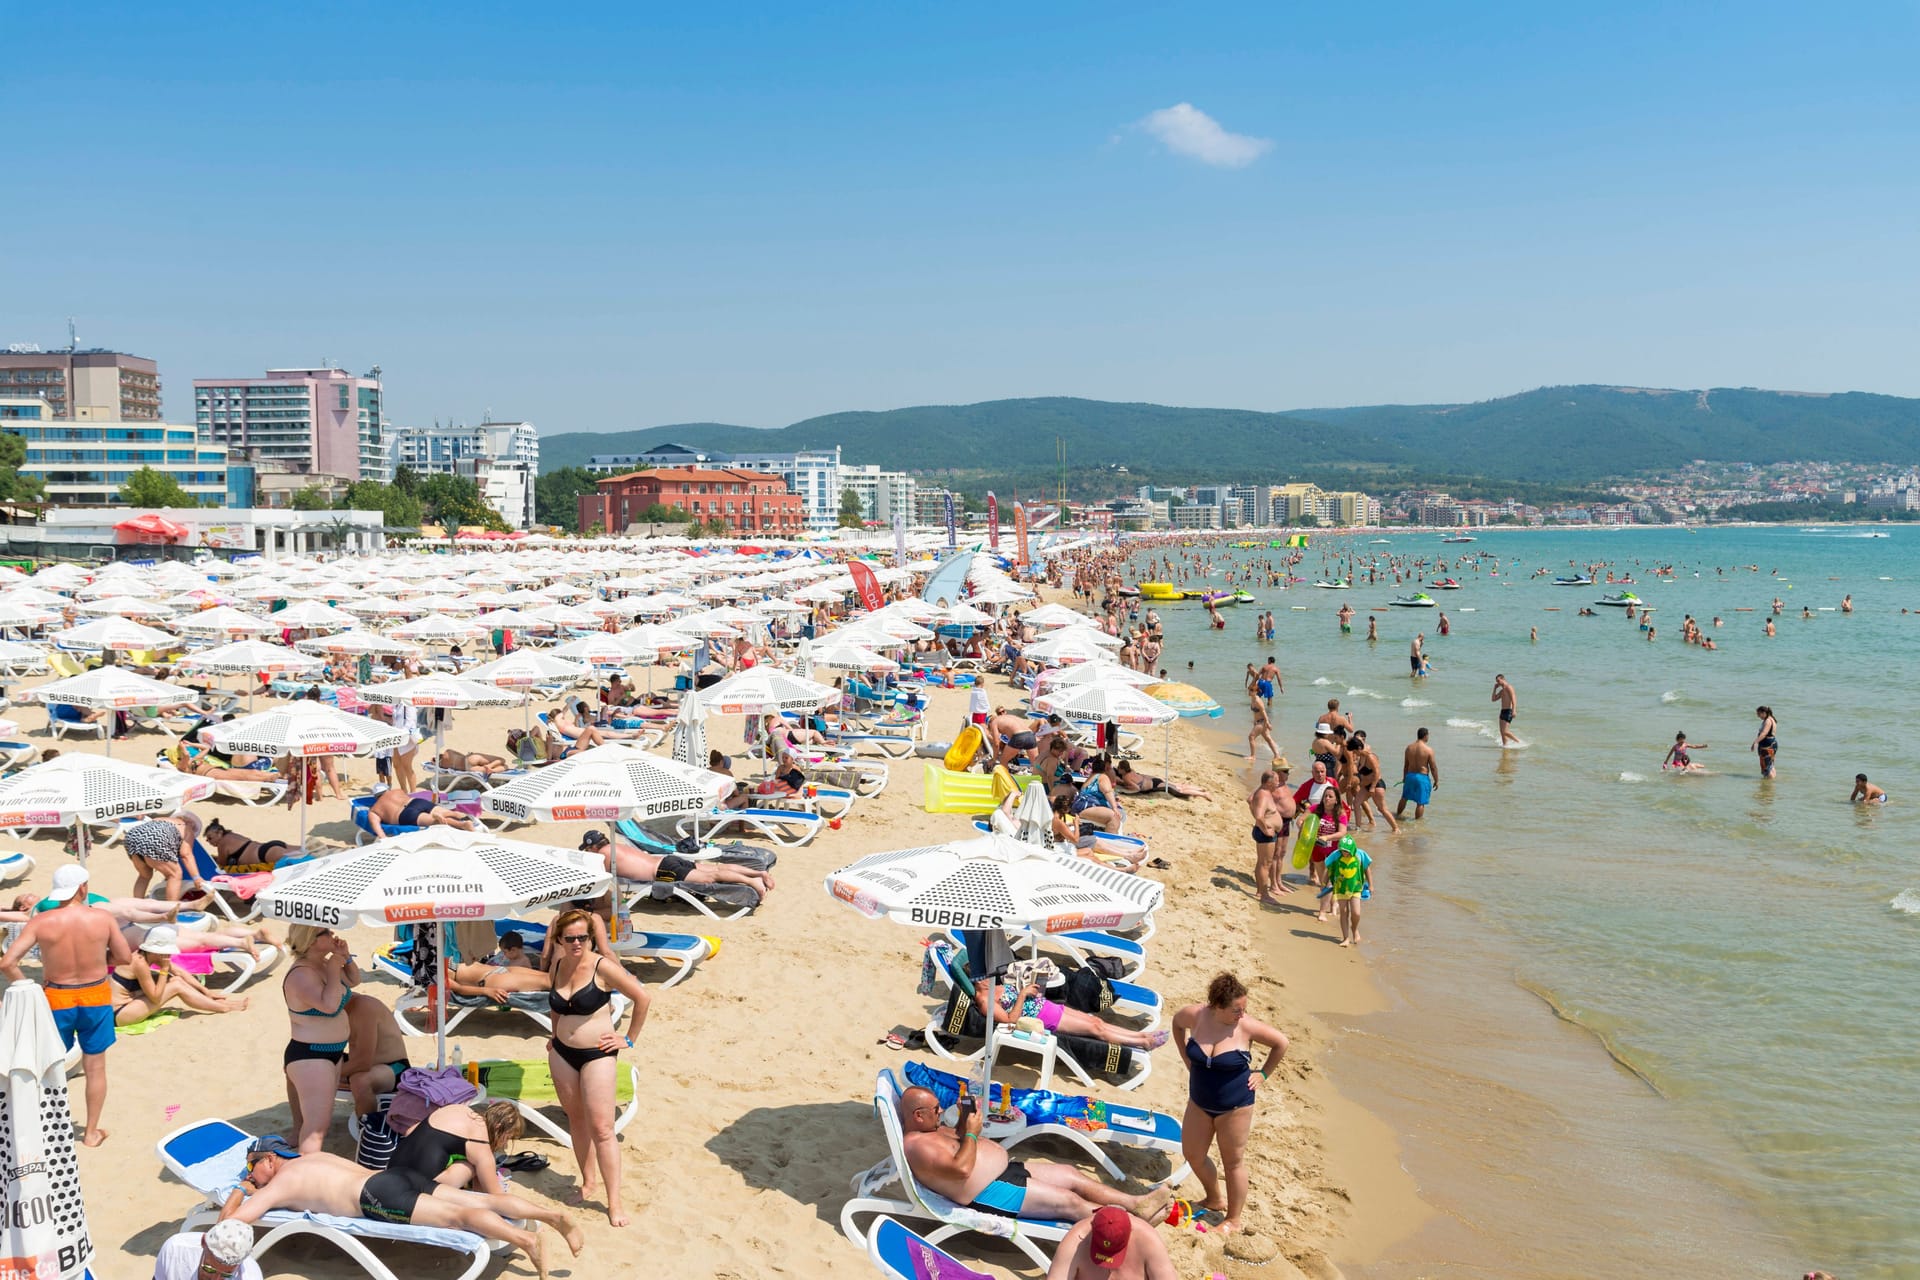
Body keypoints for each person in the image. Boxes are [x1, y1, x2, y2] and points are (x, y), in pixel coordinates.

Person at [222, 1139, 582, 1280]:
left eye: (251, 1166)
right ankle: (552, 1216)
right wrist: (251, 1183)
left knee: (458, 1219)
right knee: (480, 1200)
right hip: (396, 1176)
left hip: (376, 1196)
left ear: (269, 1158)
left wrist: (243, 1189)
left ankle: (525, 1240)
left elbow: (229, 1224)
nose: (251, 1174)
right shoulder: (314, 1156)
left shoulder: (283, 1181)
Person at [895, 1086, 1173, 1225]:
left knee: (1069, 1174)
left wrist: (964, 1119)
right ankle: (1132, 1226)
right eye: (935, 1109)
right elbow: (961, 1170)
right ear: (918, 1116)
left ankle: (1136, 1204)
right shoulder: (919, 1145)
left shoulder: (930, 1131)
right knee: (1070, 1202)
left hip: (1002, 1173)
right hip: (988, 1192)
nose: (940, 1111)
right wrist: (970, 1132)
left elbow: (956, 1146)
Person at [0, 863, 130, 1146]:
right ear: (83, 887)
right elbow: (123, 958)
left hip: (56, 997)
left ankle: (42, 1129)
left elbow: (7, 963)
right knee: (95, 1068)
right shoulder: (102, 918)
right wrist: (98, 960)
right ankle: (92, 1133)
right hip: (95, 995)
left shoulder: (41, 921)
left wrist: (26, 987)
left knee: (44, 1065)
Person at [546, 907, 650, 1226]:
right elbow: (555, 1007)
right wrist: (553, 1035)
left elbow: (642, 998)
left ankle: (614, 1202)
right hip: (562, 1052)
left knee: (602, 1128)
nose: (577, 943)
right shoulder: (558, 964)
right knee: (576, 1120)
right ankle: (588, 1182)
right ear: (559, 940)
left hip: (598, 1054)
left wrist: (628, 1039)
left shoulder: (602, 967)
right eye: (570, 938)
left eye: (583, 937)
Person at [1170, 973, 1290, 1233]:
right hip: (1199, 1101)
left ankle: (1234, 1220)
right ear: (1217, 1006)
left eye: (1244, 1009)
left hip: (1235, 1106)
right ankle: (1214, 1198)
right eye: (1237, 1010)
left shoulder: (1246, 1027)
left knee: (1232, 1163)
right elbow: (1177, 1023)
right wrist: (1186, 1057)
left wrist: (1263, 1073)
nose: (1242, 1014)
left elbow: (1281, 1043)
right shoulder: (1196, 1016)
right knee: (1193, 1154)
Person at [282, 924, 361, 1154]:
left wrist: (345, 957)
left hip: (330, 1054)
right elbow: (329, 1005)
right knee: (316, 1130)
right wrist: (335, 969)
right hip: (311, 1055)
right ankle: (303, 1183)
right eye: (325, 932)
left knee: (314, 1125)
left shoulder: (323, 963)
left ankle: (303, 1171)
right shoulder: (301, 974)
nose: (332, 933)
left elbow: (354, 981)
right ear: (311, 940)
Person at [972, 963, 1169, 1052]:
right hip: (1044, 1018)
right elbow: (1010, 1021)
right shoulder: (985, 1001)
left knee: (1097, 1021)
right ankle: (1142, 1043)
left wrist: (1029, 984)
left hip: (1046, 1005)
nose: (989, 976)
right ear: (976, 980)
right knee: (1096, 1030)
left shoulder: (993, 985)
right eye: (984, 976)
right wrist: (1023, 994)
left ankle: (1142, 1036)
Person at [110, 925, 249, 1025]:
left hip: (130, 1003)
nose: (169, 955)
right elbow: (156, 997)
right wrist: (164, 969)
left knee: (176, 980)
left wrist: (206, 992)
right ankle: (224, 1007)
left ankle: (215, 1002)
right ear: (156, 951)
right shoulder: (139, 962)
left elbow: (180, 972)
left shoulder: (147, 955)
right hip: (120, 1013)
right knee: (176, 985)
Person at [584, 829, 774, 896]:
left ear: (593, 847)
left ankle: (752, 881)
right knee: (716, 868)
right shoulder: (617, 845)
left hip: (664, 872)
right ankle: (757, 873)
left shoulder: (603, 855)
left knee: (712, 876)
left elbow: (598, 878)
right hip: (667, 860)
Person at [389, 1099, 522, 1193]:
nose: (504, 1144)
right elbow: (495, 1195)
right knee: (472, 1167)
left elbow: (410, 1131)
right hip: (415, 1190)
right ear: (498, 1128)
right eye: (508, 1137)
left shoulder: (457, 1109)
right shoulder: (480, 1143)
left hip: (391, 1170)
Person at [1045, 1204, 1178, 1279]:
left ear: (1131, 1232)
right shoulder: (1076, 1239)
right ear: (1091, 1227)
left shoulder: (1148, 1240)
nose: (1107, 1264)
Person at [341, 992, 411, 1128]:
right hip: (360, 1063)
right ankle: (298, 1130)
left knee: (360, 1081)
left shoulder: (364, 1007)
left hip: (395, 1067)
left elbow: (363, 1062)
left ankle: (369, 1130)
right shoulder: (328, 1010)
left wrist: (331, 1074)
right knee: (298, 1065)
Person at [125, 813, 209, 902]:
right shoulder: (186, 828)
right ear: (190, 822)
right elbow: (186, 854)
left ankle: (137, 905)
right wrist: (196, 878)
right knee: (175, 874)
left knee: (144, 876)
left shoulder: (161, 819)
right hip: (155, 838)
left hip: (132, 836)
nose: (194, 829)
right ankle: (171, 910)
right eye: (194, 827)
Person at [151, 1220, 262, 1280]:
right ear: (203, 1242)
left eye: (227, 1275)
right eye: (209, 1269)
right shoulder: (175, 1249)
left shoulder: (251, 1276)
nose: (215, 1279)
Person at [364, 787, 477, 836]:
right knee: (440, 811)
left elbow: (379, 832)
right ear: (387, 790)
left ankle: (462, 824)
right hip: (416, 802)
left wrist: (384, 838)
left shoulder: (374, 809)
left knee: (435, 821)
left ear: (376, 797)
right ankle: (453, 813)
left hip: (404, 815)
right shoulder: (396, 791)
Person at [1247, 771, 1289, 904]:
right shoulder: (1264, 795)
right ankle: (1264, 894)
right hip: (1265, 834)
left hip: (1263, 831)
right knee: (1265, 864)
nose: (1278, 782)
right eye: (1276, 780)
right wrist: (1266, 829)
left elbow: (1249, 799)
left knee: (1262, 863)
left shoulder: (1262, 791)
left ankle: (1260, 891)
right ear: (1269, 782)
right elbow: (1259, 816)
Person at [1326, 836, 1372, 947]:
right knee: (1344, 912)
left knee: (1356, 913)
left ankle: (1354, 929)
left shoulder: (1360, 855)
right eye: (1342, 850)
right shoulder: (1336, 855)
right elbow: (1329, 868)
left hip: (1356, 888)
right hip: (1340, 888)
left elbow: (1367, 869)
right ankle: (1346, 938)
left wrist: (1371, 885)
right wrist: (1324, 882)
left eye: (1346, 851)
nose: (1344, 853)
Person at [203, 818, 298, 869]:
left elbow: (221, 864)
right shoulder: (232, 835)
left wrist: (214, 858)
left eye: (210, 838)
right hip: (267, 848)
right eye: (207, 840)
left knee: (301, 859)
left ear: (219, 833)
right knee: (305, 853)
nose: (209, 842)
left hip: (263, 855)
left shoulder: (222, 843)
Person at [1111, 760, 1211, 800]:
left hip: (1155, 785)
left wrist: (1124, 791)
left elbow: (1136, 788)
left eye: (1119, 768)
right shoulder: (1131, 771)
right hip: (1153, 779)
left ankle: (1203, 794)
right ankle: (1200, 789)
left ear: (1122, 769)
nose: (1118, 770)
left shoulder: (1126, 777)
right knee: (1179, 785)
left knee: (1179, 790)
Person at [1397, 728, 1437, 820]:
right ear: (1425, 735)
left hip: (1410, 776)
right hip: (1422, 777)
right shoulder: (1428, 750)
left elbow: (1406, 765)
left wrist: (1404, 778)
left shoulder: (1409, 748)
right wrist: (1436, 780)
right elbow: (1433, 767)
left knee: (1404, 798)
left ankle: (1397, 815)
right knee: (1420, 802)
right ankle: (1417, 823)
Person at [1751, 706, 1779, 778]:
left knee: (1767, 767)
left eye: (1759, 714)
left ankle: (1769, 786)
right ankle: (1771, 784)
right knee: (1770, 765)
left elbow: (1764, 733)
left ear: (1764, 713)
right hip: (1771, 744)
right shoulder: (1771, 719)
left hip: (1767, 745)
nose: (1758, 716)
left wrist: (1755, 742)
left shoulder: (1768, 721)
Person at [1491, 674, 1519, 747]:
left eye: (1498, 681)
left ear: (1503, 679)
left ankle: (1518, 742)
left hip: (1508, 711)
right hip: (1502, 711)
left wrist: (1514, 710)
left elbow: (1514, 699)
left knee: (1505, 731)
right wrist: (1494, 688)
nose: (1498, 683)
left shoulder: (1509, 687)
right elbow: (1493, 699)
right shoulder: (1502, 691)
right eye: (1497, 682)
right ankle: (1505, 746)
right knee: (1502, 732)